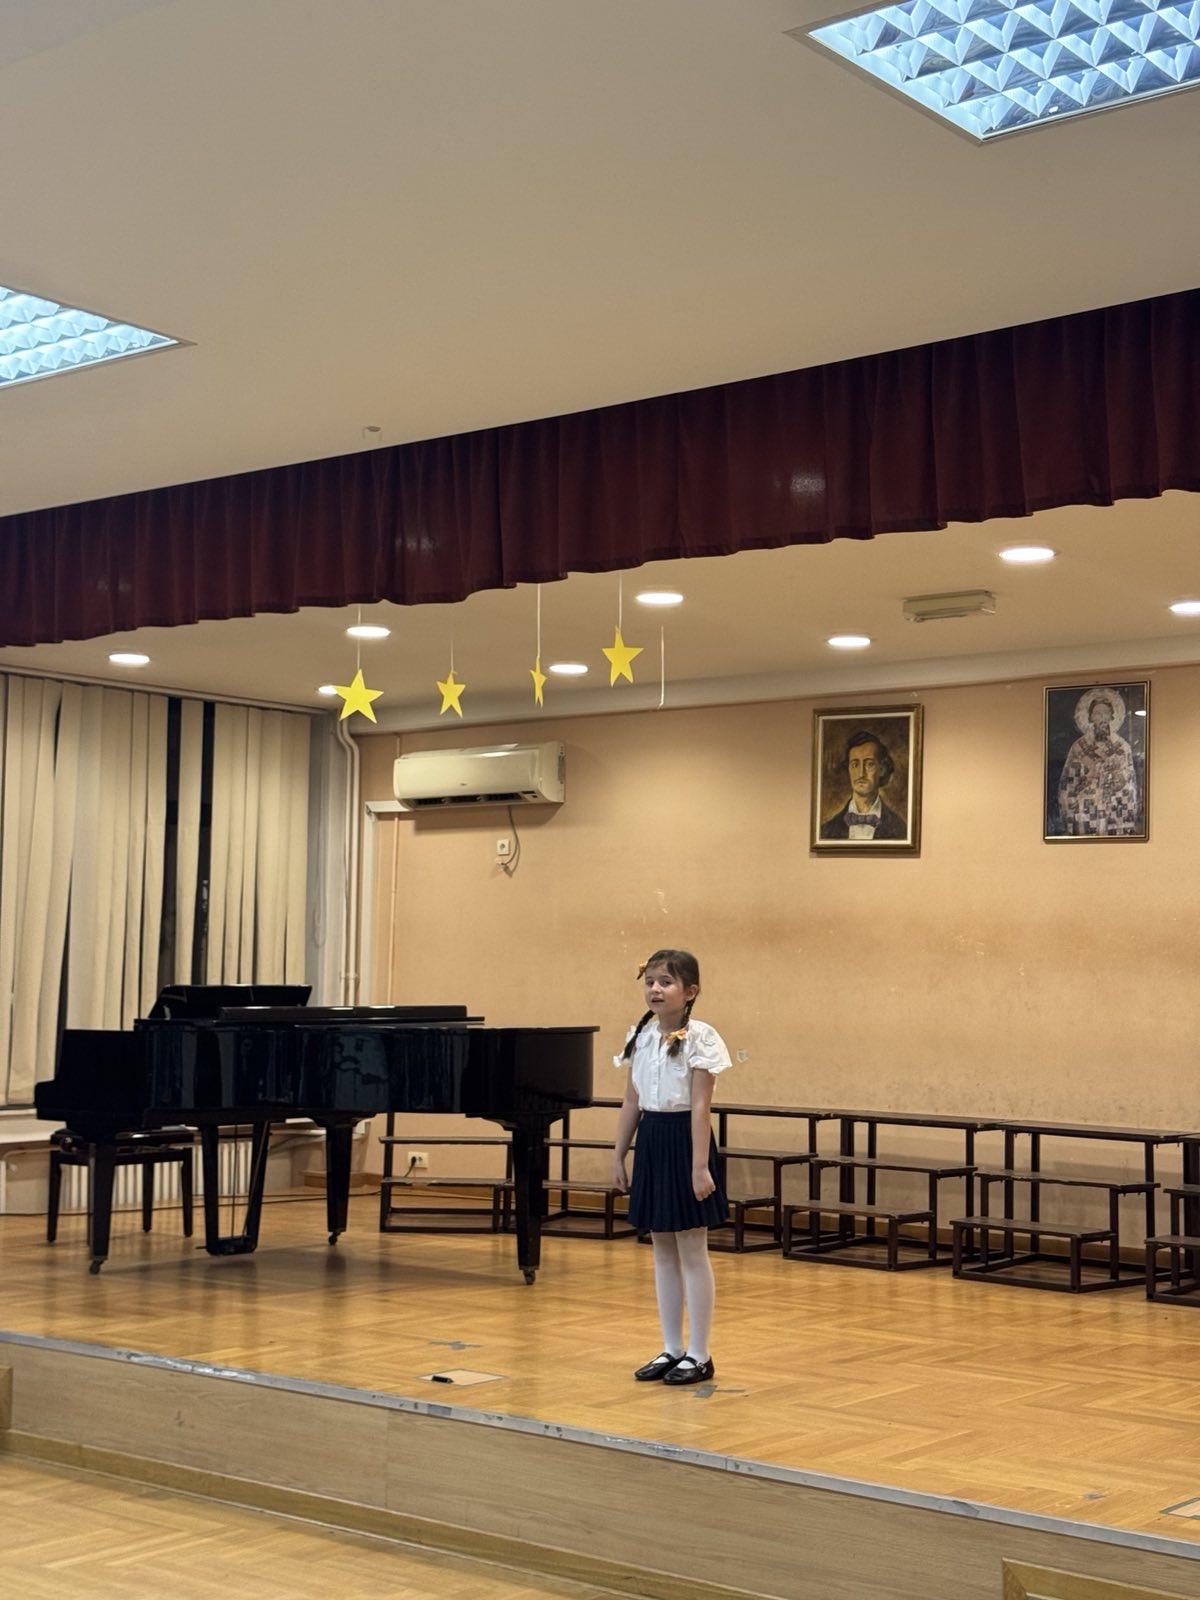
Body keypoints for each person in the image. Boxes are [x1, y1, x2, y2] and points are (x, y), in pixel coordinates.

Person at [612, 948, 730, 1387]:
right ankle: (672, 1347)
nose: (655, 989)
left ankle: (699, 1353)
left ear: (690, 991)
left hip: (686, 1142)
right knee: (661, 1247)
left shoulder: (702, 1038)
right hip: (653, 1141)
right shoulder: (640, 1036)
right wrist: (619, 1154)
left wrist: (700, 1167)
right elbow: (632, 1100)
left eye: (666, 982)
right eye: (650, 982)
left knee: (692, 1249)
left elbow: (700, 1107)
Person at [1056, 687, 1139, 835]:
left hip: (1114, 810)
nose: (1102, 717)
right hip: (1085, 811)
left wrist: (1116, 779)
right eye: (1097, 713)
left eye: (1106, 712)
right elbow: (1068, 784)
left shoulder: (1122, 747)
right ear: (1090, 717)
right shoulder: (1079, 747)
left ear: (1112, 716)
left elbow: (1129, 784)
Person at [819, 728, 907, 840]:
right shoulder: (827, 830)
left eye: (869, 764)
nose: (861, 773)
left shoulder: (900, 829)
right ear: (848, 769)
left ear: (882, 769)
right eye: (855, 765)